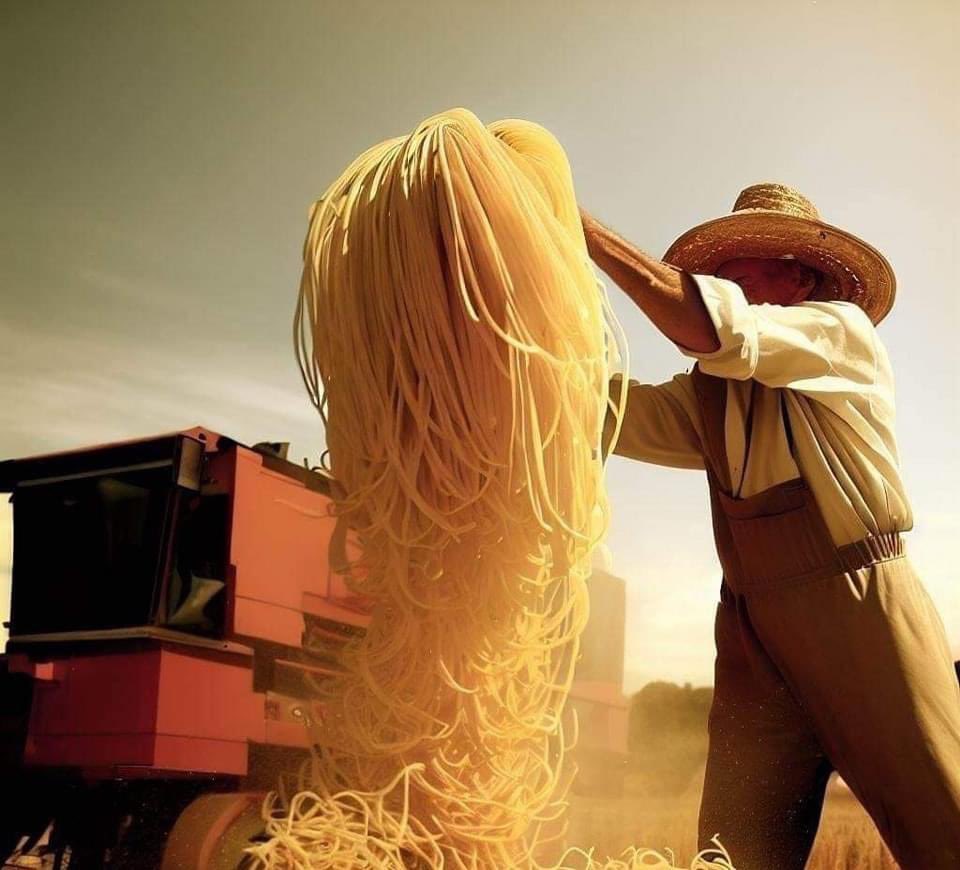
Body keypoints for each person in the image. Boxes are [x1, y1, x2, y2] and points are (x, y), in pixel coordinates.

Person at [582, 182, 960, 869]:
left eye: (740, 269)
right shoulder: (711, 394)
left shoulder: (839, 332)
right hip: (752, 626)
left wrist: (572, 223)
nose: (722, 281)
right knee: (736, 847)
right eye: (717, 272)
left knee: (945, 826)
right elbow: (604, 413)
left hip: (858, 607)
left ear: (799, 275)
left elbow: (712, 328)